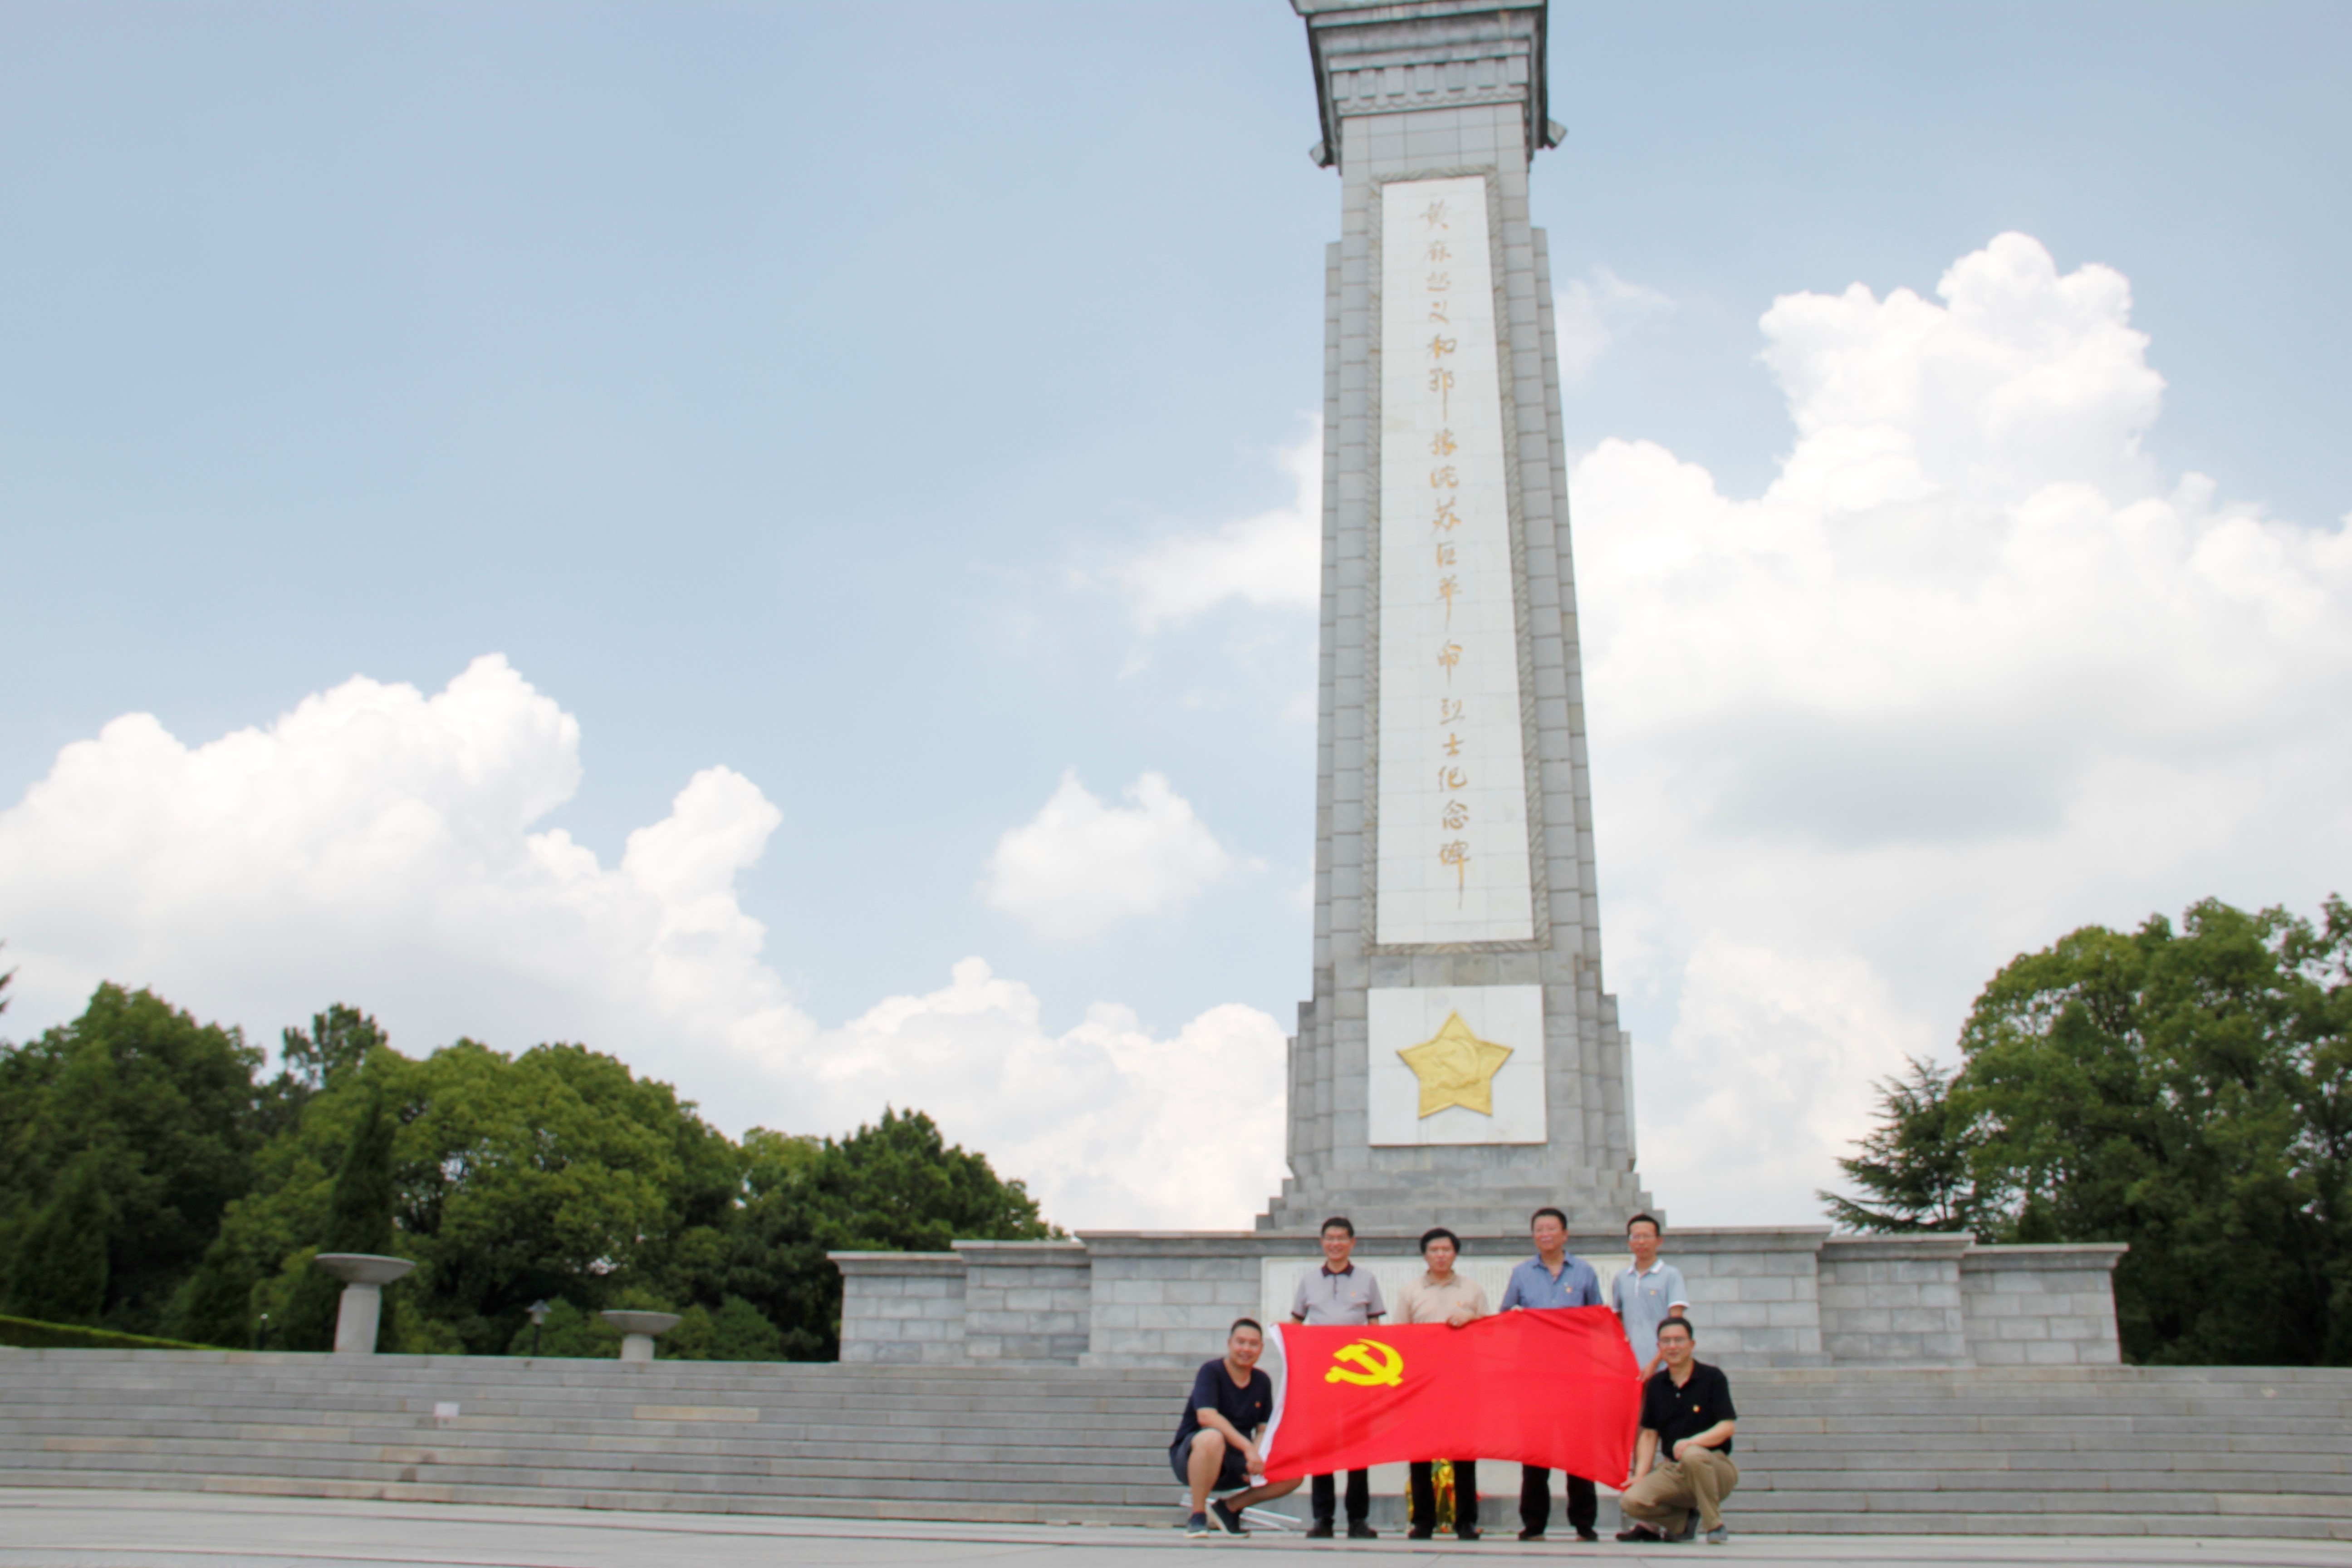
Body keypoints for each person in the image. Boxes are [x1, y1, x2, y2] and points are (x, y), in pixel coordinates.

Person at [1496, 1205, 1603, 1542]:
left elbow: (1598, 1320)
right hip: (1535, 1377)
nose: (1545, 1234)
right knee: (1535, 1454)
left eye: (1552, 1228)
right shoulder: (1522, 1273)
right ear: (1534, 1236)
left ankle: (1584, 1523)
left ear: (1565, 1234)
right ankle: (1534, 1523)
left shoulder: (1584, 1272)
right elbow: (1506, 1316)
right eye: (1539, 1229)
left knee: (1578, 1452)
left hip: (1575, 1376)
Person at [1290, 1215, 1385, 1539]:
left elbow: (1375, 1327)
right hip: (1322, 1378)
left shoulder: (1367, 1279)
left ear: (1352, 1243)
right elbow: (1296, 1324)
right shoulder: (1308, 1281)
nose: (1336, 1244)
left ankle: (1358, 1519)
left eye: (1342, 1238)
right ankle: (1323, 1519)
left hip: (1357, 1378)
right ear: (1322, 1243)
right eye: (1330, 1238)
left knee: (1358, 1448)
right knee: (1322, 1447)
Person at [1395, 1226, 1489, 1541]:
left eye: (1446, 1250)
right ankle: (1423, 1521)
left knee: (1464, 1453)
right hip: (1422, 1384)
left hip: (1462, 1382)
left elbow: (1489, 1331)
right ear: (1425, 1255)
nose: (1440, 1255)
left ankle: (1466, 1521)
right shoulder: (1411, 1291)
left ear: (1455, 1253)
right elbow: (1401, 1337)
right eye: (1434, 1250)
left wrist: (1472, 1319)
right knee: (1421, 1453)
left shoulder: (1473, 1290)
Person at [1170, 1318, 1303, 1537]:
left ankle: (1229, 1509)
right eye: (1241, 1342)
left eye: (1253, 1344)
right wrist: (1249, 1449)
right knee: (1212, 1437)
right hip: (1196, 1454)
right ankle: (1198, 1515)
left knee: (1293, 1473)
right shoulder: (1211, 1372)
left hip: (1237, 1459)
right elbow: (1207, 1417)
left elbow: (1263, 1429)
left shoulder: (1262, 1381)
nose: (1246, 1349)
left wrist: (1257, 1456)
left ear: (1261, 1348)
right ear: (1229, 1343)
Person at [1614, 1317, 1739, 1546]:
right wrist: (1641, 1474)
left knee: (1693, 1455)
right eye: (1666, 1341)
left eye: (1679, 1340)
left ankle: (1714, 1526)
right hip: (1675, 1470)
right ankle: (1683, 1522)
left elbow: (1727, 1426)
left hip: (1715, 1466)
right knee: (1631, 1501)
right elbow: (1649, 1434)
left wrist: (1693, 1442)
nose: (1673, 1346)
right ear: (1659, 1347)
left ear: (1692, 1344)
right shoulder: (1656, 1385)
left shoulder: (1712, 1378)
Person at [1610, 1212, 1689, 1379]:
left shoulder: (1671, 1276)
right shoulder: (1621, 1278)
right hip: (1631, 1364)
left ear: (1659, 1241)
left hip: (1665, 1364)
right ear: (1629, 1242)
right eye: (1636, 1237)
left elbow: (1676, 1323)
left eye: (1647, 1236)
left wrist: (1654, 1363)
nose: (1641, 1242)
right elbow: (1617, 1321)